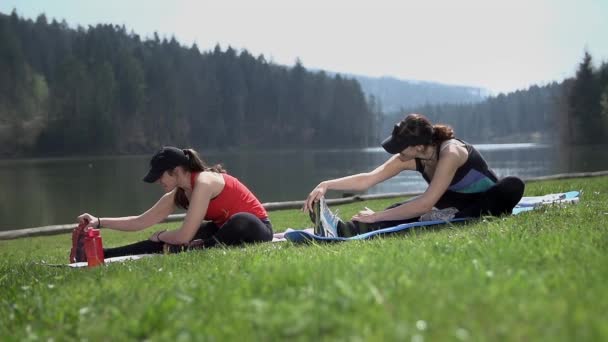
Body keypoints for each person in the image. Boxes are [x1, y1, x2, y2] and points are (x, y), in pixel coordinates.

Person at [303, 113, 525, 238]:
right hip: (448, 202)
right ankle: (343, 230)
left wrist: (377, 216)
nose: (398, 151)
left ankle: (449, 216)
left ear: (418, 146)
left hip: (484, 199)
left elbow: (425, 203)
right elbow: (369, 178)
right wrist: (326, 184)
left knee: (512, 186)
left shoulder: (451, 152)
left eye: (402, 146)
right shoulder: (410, 156)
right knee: (394, 211)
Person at [72, 146, 273, 261]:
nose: (159, 182)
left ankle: (197, 248)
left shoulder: (204, 181)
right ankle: (103, 255)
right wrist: (98, 221)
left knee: (239, 220)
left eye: (160, 177)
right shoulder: (180, 193)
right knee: (172, 241)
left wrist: (162, 235)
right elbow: (139, 221)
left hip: (256, 228)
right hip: (221, 231)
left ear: (176, 171)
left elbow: (184, 235)